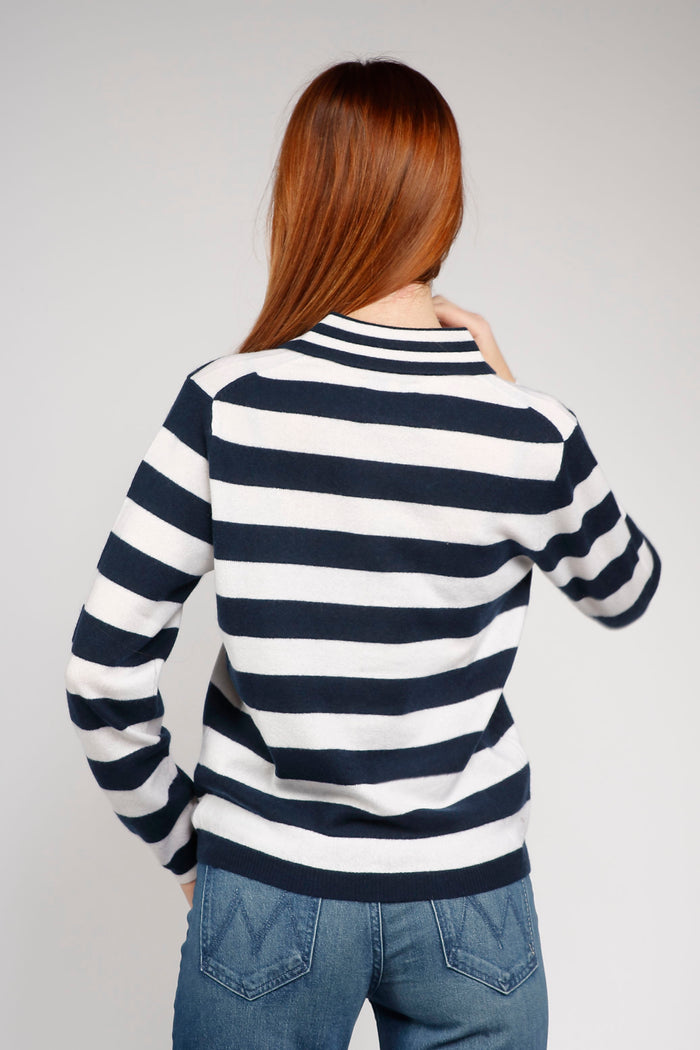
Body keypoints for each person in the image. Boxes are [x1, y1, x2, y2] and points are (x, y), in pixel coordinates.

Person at [64, 57, 661, 1050]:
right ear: (443, 208)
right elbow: (625, 587)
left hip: (265, 891)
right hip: (471, 900)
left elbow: (102, 672)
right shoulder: (523, 429)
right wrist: (511, 395)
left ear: (306, 201)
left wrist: (188, 849)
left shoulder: (226, 403)